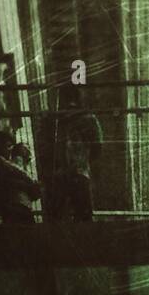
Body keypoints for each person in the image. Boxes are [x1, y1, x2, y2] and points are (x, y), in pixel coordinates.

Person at [51, 84, 103, 222]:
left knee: (57, 218)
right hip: (80, 171)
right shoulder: (88, 118)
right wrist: (84, 159)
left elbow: (44, 147)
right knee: (84, 215)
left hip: (59, 174)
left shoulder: (54, 120)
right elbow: (97, 146)